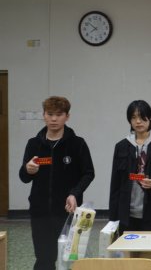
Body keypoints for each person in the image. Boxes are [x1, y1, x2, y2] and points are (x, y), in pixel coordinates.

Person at [19, 96, 95, 270]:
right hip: (40, 212)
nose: (54, 119)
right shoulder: (34, 144)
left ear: (67, 116)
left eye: (59, 115)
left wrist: (74, 193)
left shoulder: (77, 144)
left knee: (69, 259)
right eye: (50, 114)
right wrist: (28, 169)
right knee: (44, 258)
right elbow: (24, 177)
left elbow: (89, 173)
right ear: (44, 115)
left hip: (68, 212)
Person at [109, 100, 151, 232]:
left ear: (150, 117)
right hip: (127, 213)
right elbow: (115, 183)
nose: (138, 121)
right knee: (128, 245)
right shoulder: (122, 146)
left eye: (141, 117)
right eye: (133, 117)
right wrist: (113, 217)